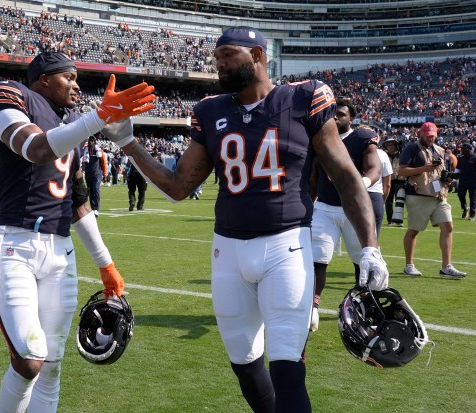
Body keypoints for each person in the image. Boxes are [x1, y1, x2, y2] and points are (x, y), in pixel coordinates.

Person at [100, 27, 388, 413]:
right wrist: (127, 142)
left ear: (257, 55)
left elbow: (346, 176)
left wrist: (370, 247)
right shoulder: (210, 110)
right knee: (246, 368)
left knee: (288, 370)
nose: (219, 64)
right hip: (228, 251)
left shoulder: (302, 98)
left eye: (228, 56)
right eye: (216, 58)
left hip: (286, 246)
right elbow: (179, 185)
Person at [0, 51, 155, 413]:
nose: (77, 85)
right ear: (43, 78)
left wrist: (106, 265)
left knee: (52, 366)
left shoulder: (73, 121)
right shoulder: (11, 95)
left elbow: (78, 201)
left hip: (60, 253)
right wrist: (99, 117)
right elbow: (36, 148)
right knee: (29, 360)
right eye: (68, 77)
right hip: (17, 246)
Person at [309, 99, 382, 332]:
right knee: (317, 258)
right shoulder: (319, 137)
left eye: (340, 114)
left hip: (354, 209)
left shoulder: (362, 138)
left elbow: (375, 168)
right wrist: (307, 205)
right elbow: (313, 178)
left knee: (362, 261)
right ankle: (312, 306)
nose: (335, 118)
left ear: (351, 118)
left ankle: (364, 307)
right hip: (325, 208)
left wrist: (362, 182)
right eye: (333, 114)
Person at [398, 122, 466, 279]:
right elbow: (401, 171)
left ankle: (446, 266)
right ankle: (409, 265)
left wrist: (448, 177)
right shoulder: (411, 148)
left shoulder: (439, 150)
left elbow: (441, 171)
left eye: (433, 135)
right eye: (428, 135)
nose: (430, 138)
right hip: (418, 194)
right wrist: (424, 168)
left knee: (448, 226)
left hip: (438, 194)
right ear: (420, 134)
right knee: (414, 230)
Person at [455, 142, 476, 221]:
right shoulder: (460, 158)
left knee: (472, 199)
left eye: (463, 149)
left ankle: (472, 215)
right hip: (462, 181)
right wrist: (454, 180)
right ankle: (465, 208)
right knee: (460, 195)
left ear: (468, 150)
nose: (461, 150)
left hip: (473, 182)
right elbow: (457, 169)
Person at [382, 137, 406, 226]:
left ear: (396, 146)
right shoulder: (385, 156)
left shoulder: (402, 154)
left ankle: (399, 221)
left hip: (401, 180)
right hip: (388, 180)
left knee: (400, 201)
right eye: (388, 145)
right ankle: (390, 220)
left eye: (391, 145)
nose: (389, 147)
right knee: (388, 201)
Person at [82, 135, 108, 216]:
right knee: (90, 191)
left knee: (96, 189)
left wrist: (104, 174)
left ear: (95, 142)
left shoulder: (99, 151)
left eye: (92, 141)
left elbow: (103, 163)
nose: (91, 142)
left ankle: (96, 208)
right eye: (90, 140)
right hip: (88, 173)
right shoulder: (84, 151)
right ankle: (93, 208)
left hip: (97, 173)